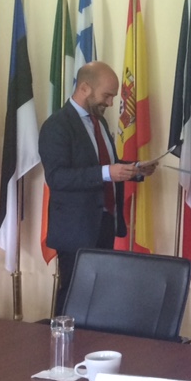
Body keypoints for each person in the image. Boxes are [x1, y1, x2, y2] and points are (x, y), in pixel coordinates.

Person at [39, 61, 157, 315]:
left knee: (100, 295)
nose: (111, 103)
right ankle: (61, 338)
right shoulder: (56, 126)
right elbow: (57, 178)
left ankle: (93, 340)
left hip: (104, 223)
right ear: (85, 88)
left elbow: (105, 163)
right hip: (75, 230)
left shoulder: (99, 122)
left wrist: (135, 168)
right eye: (107, 95)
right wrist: (107, 173)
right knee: (74, 295)